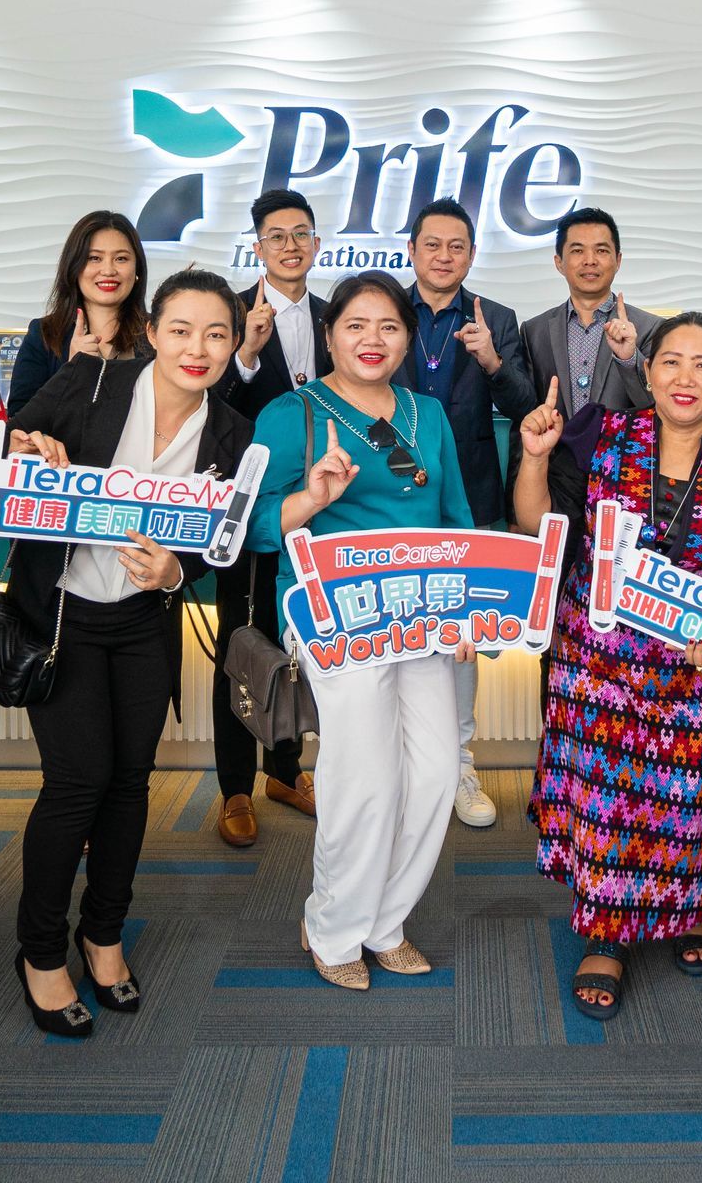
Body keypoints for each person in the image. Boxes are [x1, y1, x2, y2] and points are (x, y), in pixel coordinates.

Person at [516, 313, 702, 1020]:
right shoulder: (597, 434)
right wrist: (533, 458)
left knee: (687, 798)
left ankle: (691, 906)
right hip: (595, 659)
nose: (685, 377)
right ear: (646, 373)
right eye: (671, 361)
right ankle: (606, 931)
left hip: (691, 665)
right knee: (606, 802)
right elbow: (536, 526)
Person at [0, 268, 255, 1036]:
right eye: (181, 330)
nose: (197, 348)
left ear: (235, 343)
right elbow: (8, 450)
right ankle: (41, 950)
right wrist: (28, 447)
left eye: (216, 333)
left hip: (145, 621)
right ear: (151, 331)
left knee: (130, 784)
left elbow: (220, 539)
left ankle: (103, 934)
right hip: (63, 615)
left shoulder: (231, 431)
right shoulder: (94, 382)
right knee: (77, 783)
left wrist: (180, 571)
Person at [244, 270, 474, 990]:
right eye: (355, 325)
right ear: (330, 334)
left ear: (408, 338)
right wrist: (310, 499)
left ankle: (386, 921)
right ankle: (334, 924)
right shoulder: (292, 413)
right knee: (365, 777)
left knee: (435, 773)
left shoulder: (426, 413)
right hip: (335, 616)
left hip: (424, 614)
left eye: (389, 327)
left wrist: (468, 610)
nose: (372, 340)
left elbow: (455, 521)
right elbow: (252, 527)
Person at [396, 197, 540, 830]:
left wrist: (491, 361)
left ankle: (458, 763)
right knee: (393, 624)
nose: (444, 256)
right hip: (393, 494)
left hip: (471, 496)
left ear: (473, 255)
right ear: (412, 250)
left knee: (461, 635)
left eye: (457, 246)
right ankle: (402, 767)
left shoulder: (496, 318)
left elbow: (528, 403)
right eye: (432, 244)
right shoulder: (384, 309)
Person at [210, 189, 332, 847]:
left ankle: (285, 770)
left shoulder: (338, 316)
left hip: (322, 510)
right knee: (240, 642)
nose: (290, 245)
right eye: (276, 236)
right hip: (247, 506)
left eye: (301, 234)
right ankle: (234, 787)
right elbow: (207, 403)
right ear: (257, 248)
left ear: (316, 243)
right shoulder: (229, 313)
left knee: (297, 641)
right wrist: (247, 357)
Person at [520, 207, 662, 418]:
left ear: (618, 260)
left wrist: (630, 358)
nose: (590, 260)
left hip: (622, 441)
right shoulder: (534, 331)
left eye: (601, 250)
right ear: (559, 263)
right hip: (557, 440)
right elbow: (525, 411)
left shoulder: (651, 328)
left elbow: (658, 406)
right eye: (577, 251)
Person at [8, 210, 148, 413]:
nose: (108, 270)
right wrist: (71, 371)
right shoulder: (43, 334)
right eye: (94, 258)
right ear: (74, 267)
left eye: (121, 258)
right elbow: (20, 420)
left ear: (137, 270)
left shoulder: (158, 334)